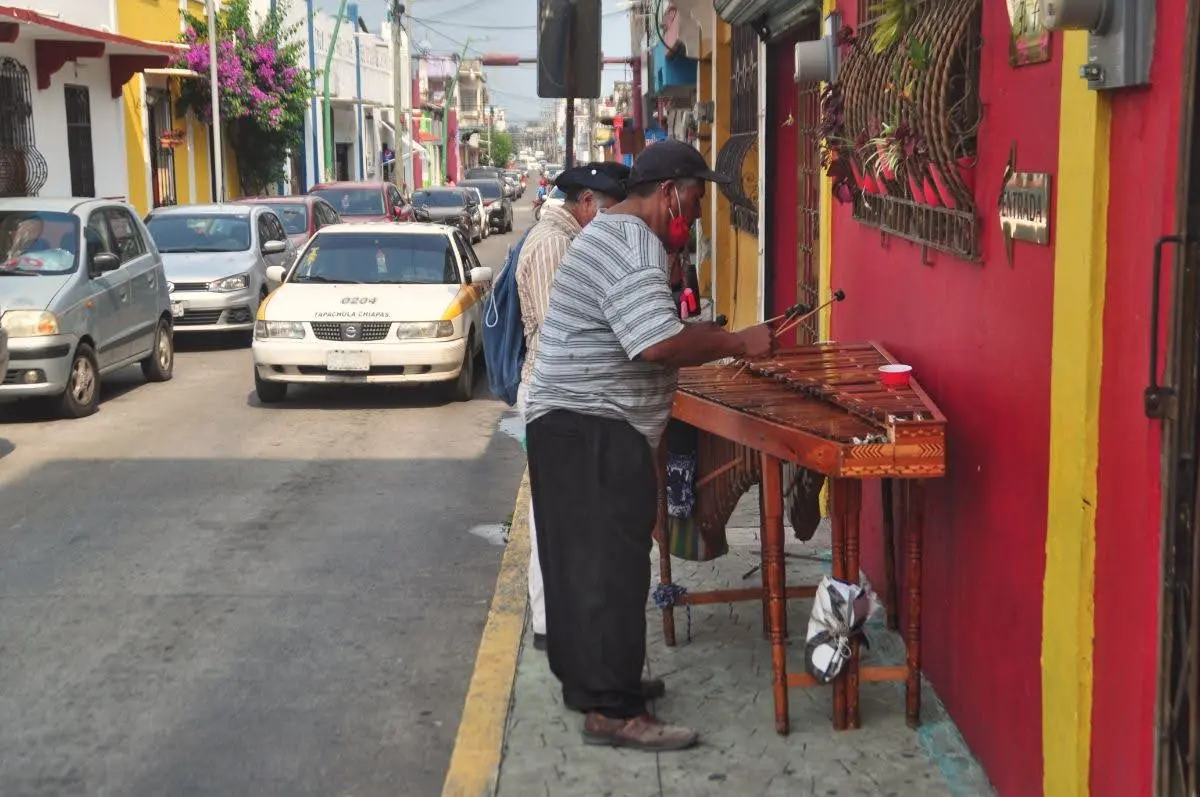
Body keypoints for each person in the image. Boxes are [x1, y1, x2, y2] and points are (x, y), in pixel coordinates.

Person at [524, 139, 775, 750]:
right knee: (609, 571)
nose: (693, 213)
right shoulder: (630, 239)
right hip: (587, 428)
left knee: (591, 568)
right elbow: (655, 343)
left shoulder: (614, 234)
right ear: (667, 193)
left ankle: (599, 686)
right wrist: (738, 342)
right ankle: (612, 711)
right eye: (692, 199)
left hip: (579, 426)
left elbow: (648, 340)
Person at [515, 161, 631, 653]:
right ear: (586, 203)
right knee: (554, 517)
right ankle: (549, 623)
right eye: (604, 212)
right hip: (552, 395)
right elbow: (562, 330)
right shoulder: (551, 246)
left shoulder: (565, 241)